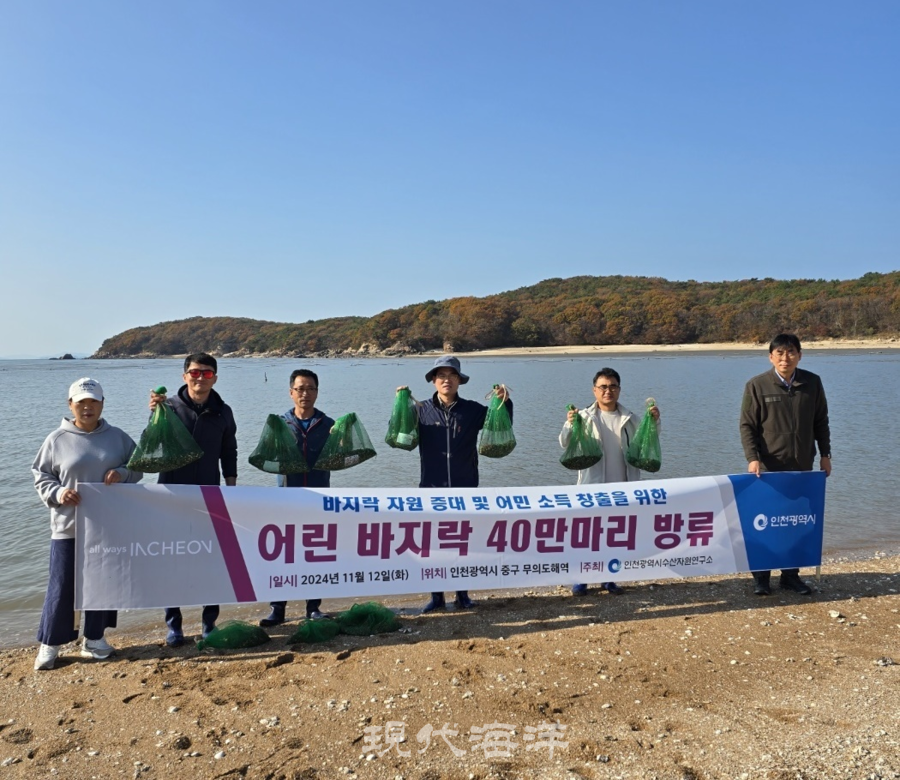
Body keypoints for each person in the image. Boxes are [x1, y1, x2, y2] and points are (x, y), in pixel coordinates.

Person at [32, 378, 143, 670]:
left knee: (102, 584)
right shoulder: (56, 439)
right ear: (71, 405)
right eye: (81, 402)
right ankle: (51, 643)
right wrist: (57, 492)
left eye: (93, 401)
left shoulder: (118, 437)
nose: (87, 407)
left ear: (102, 403)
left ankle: (94, 638)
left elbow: (139, 467)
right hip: (68, 527)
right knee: (62, 585)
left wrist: (121, 473)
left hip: (108, 527)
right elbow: (41, 475)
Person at [406, 356, 512, 613]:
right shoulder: (419, 410)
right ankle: (437, 597)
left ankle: (463, 594)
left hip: (466, 487)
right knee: (433, 545)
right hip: (431, 488)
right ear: (433, 380)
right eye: (440, 375)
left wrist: (504, 402)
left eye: (451, 375)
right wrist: (401, 404)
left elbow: (499, 425)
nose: (446, 379)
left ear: (459, 380)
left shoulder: (473, 410)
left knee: (464, 543)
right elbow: (400, 435)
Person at [149, 353, 237, 646]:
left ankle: (209, 622)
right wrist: (154, 414)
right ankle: (174, 625)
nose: (201, 378)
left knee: (211, 560)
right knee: (170, 561)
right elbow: (152, 444)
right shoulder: (168, 408)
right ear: (184, 375)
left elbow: (229, 452)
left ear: (216, 377)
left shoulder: (224, 412)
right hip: (171, 494)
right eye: (195, 373)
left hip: (209, 494)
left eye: (207, 373)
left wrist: (231, 489)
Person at [740, 333, 831, 596]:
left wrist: (825, 454)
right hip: (767, 468)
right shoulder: (757, 385)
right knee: (764, 521)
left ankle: (790, 576)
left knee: (796, 521)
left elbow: (821, 421)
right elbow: (748, 425)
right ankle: (761, 578)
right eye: (779, 353)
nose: (785, 358)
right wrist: (752, 457)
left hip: (802, 465)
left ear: (800, 355)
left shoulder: (812, 383)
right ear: (771, 357)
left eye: (791, 352)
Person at [559, 367, 660, 596]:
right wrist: (569, 423)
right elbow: (565, 443)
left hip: (622, 487)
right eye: (603, 387)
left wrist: (653, 422)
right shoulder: (584, 417)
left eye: (613, 386)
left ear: (619, 390)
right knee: (586, 536)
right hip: (591, 488)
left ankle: (610, 578)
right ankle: (581, 580)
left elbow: (647, 442)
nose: (608, 391)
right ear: (594, 390)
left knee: (614, 535)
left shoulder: (631, 418)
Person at [259, 369, 334, 627]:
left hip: (317, 497)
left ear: (317, 392)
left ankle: (313, 607)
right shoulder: (279, 424)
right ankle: (277, 609)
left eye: (311, 388)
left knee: (315, 553)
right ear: (291, 392)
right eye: (300, 388)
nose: (305, 393)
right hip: (286, 499)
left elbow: (341, 458)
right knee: (283, 555)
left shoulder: (329, 425)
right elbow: (266, 458)